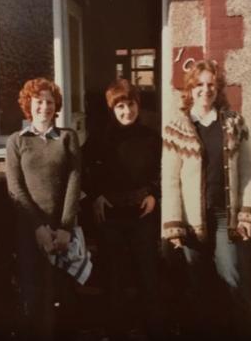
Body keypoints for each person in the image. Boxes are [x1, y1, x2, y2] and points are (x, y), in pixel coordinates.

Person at [161, 59, 251, 341]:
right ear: (190, 89)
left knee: (231, 280)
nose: (205, 90)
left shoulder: (234, 123)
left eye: (211, 85)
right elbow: (170, 181)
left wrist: (247, 214)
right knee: (198, 287)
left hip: (222, 219)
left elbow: (248, 171)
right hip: (192, 222)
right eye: (199, 85)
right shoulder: (176, 127)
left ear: (218, 90)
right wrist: (174, 226)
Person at [82, 79, 163, 341]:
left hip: (143, 213)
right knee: (114, 276)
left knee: (147, 275)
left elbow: (164, 170)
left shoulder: (151, 137)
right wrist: (95, 196)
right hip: (111, 217)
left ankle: (151, 330)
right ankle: (115, 332)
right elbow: (82, 169)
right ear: (112, 109)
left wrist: (153, 193)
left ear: (138, 105)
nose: (127, 111)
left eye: (130, 105)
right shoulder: (99, 139)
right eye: (120, 107)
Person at [6, 78, 81, 341]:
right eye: (39, 101)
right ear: (29, 104)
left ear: (56, 106)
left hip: (61, 232)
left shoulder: (67, 137)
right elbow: (15, 188)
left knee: (60, 296)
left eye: (50, 102)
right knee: (32, 294)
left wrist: (65, 228)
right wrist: (38, 227)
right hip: (29, 232)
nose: (44, 107)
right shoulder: (16, 141)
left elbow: (74, 182)